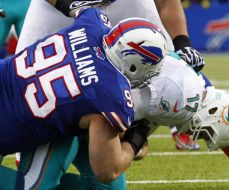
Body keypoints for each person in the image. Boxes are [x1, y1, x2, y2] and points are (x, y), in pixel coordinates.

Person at [0, 7, 168, 185]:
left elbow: (76, 6)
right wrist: (136, 140)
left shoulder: (93, 22)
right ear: (133, 65)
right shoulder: (110, 94)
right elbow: (108, 170)